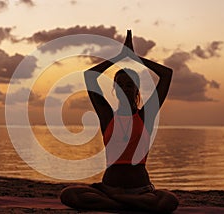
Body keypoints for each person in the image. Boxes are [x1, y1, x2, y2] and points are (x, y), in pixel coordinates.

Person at [60, 30, 179, 213]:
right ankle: (124, 203)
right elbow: (90, 75)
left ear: (136, 91)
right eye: (120, 85)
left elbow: (166, 74)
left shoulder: (145, 115)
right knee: (68, 194)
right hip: (109, 190)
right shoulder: (107, 115)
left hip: (141, 190)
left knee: (170, 201)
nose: (124, 89)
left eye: (129, 85)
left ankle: (120, 203)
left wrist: (134, 57)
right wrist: (119, 57)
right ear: (114, 89)